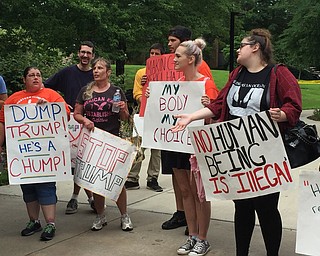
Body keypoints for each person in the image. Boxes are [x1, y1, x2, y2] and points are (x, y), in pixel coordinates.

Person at [171, 28, 302, 256]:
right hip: (237, 154)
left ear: (255, 47)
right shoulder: (236, 74)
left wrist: (282, 114)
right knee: (242, 207)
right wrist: (191, 116)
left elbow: (294, 105)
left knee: (266, 208)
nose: (238, 49)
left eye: (241, 45)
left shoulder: (277, 73)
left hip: (265, 153)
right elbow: (219, 104)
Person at [0, 66, 71, 241]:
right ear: (24, 79)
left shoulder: (52, 95)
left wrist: (50, 108)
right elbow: (2, 122)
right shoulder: (13, 100)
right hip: (23, 156)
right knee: (28, 189)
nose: (35, 77)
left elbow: (65, 114)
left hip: (46, 155)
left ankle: (50, 223)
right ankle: (34, 221)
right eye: (31, 75)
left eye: (38, 75)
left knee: (46, 187)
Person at [162, 25, 218, 235]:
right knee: (185, 190)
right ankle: (192, 233)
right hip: (175, 142)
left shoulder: (206, 84)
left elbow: (216, 116)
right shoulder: (174, 84)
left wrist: (209, 106)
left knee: (198, 193)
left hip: (195, 145)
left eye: (177, 56)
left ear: (190, 59)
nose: (173, 59)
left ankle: (201, 236)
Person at [73, 57, 133, 232]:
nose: (96, 71)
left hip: (112, 140)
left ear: (108, 72)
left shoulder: (116, 91)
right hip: (92, 142)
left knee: (117, 180)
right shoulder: (86, 91)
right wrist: (85, 120)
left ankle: (124, 216)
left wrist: (123, 108)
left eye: (100, 68)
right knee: (96, 182)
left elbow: (125, 118)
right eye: (94, 68)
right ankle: (100, 216)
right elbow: (76, 113)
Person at [44, 41, 96, 214]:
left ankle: (83, 198)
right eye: (83, 52)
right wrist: (60, 104)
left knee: (87, 161)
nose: (85, 56)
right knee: (75, 161)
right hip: (71, 122)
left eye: (88, 53)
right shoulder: (67, 73)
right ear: (78, 53)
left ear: (92, 56)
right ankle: (83, 198)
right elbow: (46, 87)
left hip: (91, 122)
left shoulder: (95, 75)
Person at [125, 43, 165, 192]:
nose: (153, 56)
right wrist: (144, 96)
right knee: (138, 146)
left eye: (157, 54)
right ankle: (132, 178)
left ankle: (152, 178)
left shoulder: (167, 73)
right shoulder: (141, 73)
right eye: (151, 53)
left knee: (157, 149)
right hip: (143, 113)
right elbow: (136, 93)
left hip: (160, 115)